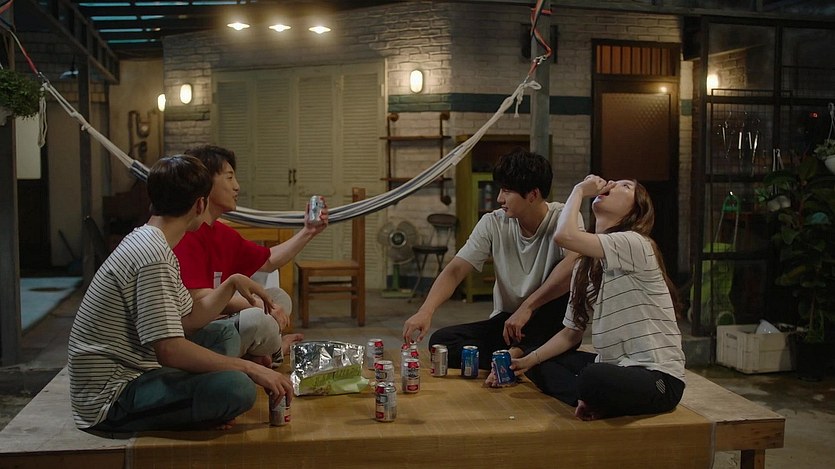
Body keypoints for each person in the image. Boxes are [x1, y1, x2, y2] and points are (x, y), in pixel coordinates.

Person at [68, 155, 294, 432]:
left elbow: (188, 320)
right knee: (236, 388)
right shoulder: (153, 256)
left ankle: (198, 402)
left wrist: (231, 284)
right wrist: (249, 368)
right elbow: (170, 351)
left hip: (145, 364)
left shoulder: (151, 239)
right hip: (113, 395)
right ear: (200, 204)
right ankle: (200, 405)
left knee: (225, 334)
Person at [500, 174, 685, 421]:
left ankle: (591, 396)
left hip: (657, 377)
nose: (612, 184)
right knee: (540, 361)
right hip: (615, 369)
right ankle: (591, 400)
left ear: (636, 210)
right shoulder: (585, 266)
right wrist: (527, 361)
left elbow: (564, 236)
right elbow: (571, 333)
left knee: (593, 377)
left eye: (625, 186)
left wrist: (578, 190)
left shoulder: (636, 243)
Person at [402, 148, 583, 370]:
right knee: (442, 342)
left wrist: (528, 306)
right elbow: (456, 269)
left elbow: (574, 265)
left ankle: (519, 355)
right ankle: (518, 359)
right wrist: (426, 311)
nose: (499, 198)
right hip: (508, 323)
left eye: (507, 191)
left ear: (533, 195)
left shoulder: (564, 218)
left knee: (565, 277)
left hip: (548, 320)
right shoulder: (493, 222)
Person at [174, 145, 327, 367]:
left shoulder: (221, 232)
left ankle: (260, 352)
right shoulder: (186, 233)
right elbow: (196, 299)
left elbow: (268, 260)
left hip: (219, 318)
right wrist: (256, 304)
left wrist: (308, 232)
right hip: (195, 330)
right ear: (205, 182)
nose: (237, 186)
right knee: (259, 319)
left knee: (279, 297)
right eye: (229, 178)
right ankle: (271, 351)